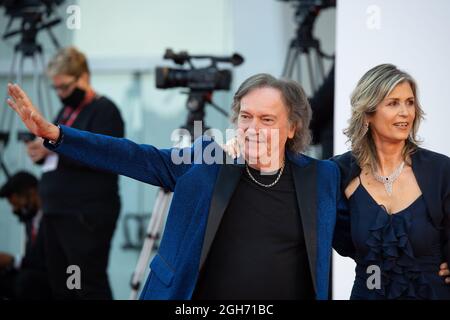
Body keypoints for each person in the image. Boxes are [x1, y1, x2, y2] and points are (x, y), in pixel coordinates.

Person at [6, 73, 341, 300]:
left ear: (293, 128)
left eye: (267, 120)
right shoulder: (207, 162)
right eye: (245, 116)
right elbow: (136, 156)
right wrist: (58, 135)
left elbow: (366, 229)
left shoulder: (321, 178)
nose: (252, 128)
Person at [332, 64, 450, 299]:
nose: (406, 112)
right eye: (393, 103)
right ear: (368, 112)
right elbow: (344, 243)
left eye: (410, 102)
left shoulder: (441, 170)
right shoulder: (339, 172)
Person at [23, 46, 125, 299]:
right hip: (57, 210)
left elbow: (104, 156)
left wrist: (53, 149)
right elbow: (59, 153)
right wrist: (41, 149)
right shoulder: (67, 111)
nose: (60, 94)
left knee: (85, 283)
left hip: (84, 214)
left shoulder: (104, 110)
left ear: (84, 77)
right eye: (56, 88)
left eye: (65, 87)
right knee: (60, 284)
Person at [0, 171, 51, 300]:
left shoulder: (54, 218)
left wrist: (13, 260)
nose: (15, 210)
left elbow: (50, 261)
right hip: (36, 275)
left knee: (26, 281)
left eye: (17, 205)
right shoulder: (31, 222)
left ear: (32, 192)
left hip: (61, 279)